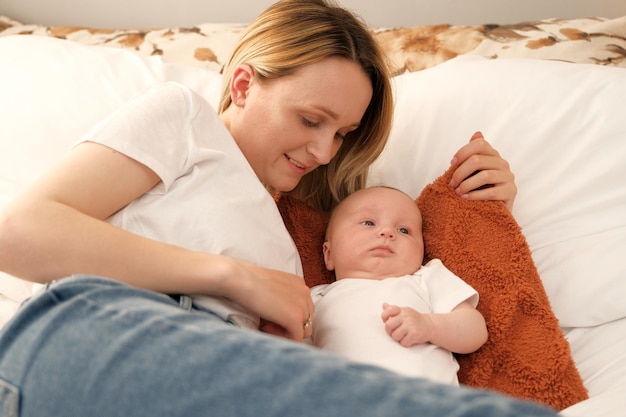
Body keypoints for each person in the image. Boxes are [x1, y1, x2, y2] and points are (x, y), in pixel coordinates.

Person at [0, 0, 552, 416]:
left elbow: (394, 250)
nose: (323, 151)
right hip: (93, 330)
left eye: (342, 133)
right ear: (243, 84)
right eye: (312, 119)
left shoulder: (298, 244)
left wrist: (484, 204)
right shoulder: (186, 119)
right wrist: (234, 277)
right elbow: (19, 232)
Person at [310, 186, 487, 385]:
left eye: (404, 230)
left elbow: (475, 329)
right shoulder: (314, 298)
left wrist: (429, 326)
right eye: (368, 223)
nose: (387, 232)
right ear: (329, 254)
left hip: (425, 397)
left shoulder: (425, 277)